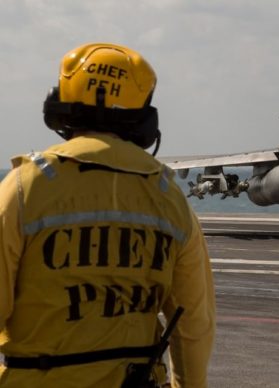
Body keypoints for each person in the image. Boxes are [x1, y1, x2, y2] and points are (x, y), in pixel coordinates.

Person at [0, 43, 215, 387]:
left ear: (60, 101)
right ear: (144, 116)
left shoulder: (26, 188)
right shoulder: (169, 197)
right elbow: (193, 325)